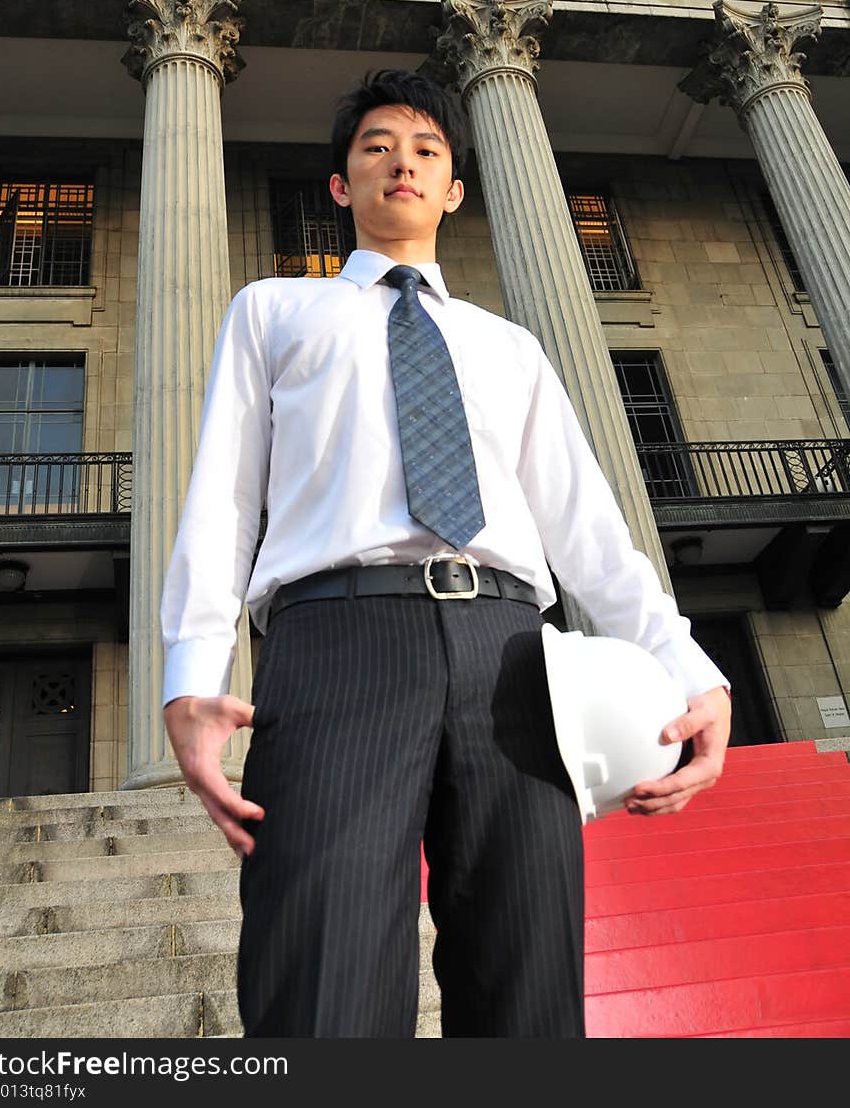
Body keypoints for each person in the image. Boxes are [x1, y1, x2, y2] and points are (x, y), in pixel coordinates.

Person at [161, 68, 731, 1039]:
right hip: (336, 643)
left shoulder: (508, 345)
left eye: (426, 150)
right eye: (376, 146)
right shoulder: (272, 313)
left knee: (526, 993)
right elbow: (220, 499)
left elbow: (587, 528)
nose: (402, 163)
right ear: (340, 184)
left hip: (515, 661)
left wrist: (691, 670)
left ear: (456, 188)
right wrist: (189, 674)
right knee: (322, 984)